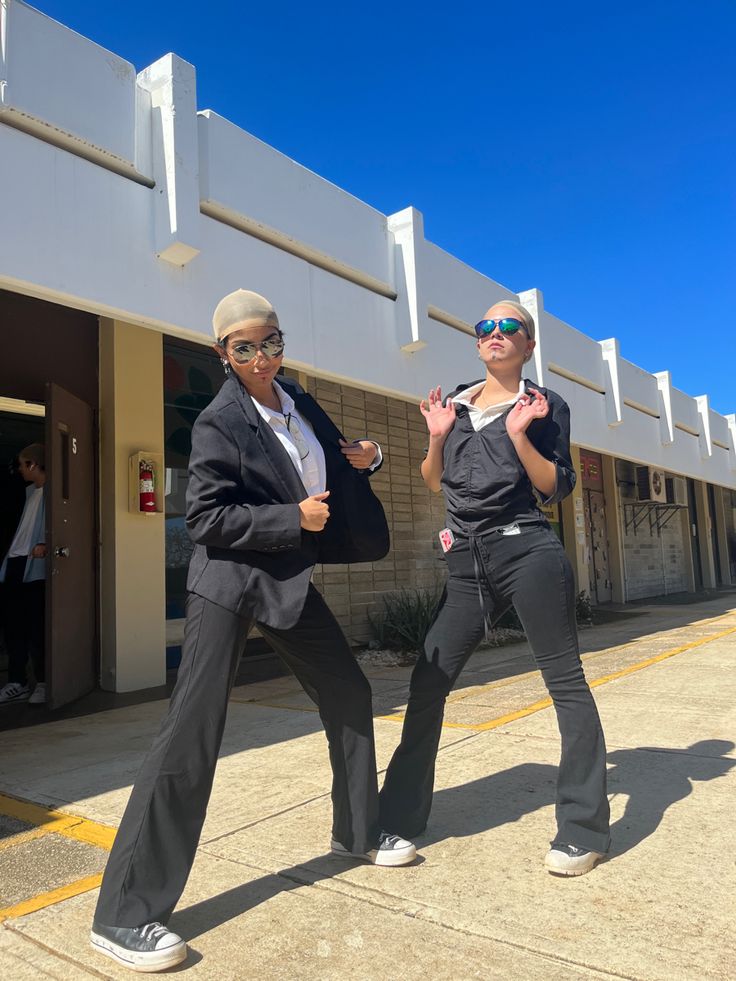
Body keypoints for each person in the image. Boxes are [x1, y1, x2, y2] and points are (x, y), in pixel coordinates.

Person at [90, 290, 416, 973]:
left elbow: (335, 454)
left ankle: (355, 831)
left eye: (271, 341)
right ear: (224, 355)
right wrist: (290, 519)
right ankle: (124, 913)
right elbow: (205, 519)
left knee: (350, 693)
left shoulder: (297, 400)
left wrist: (372, 457)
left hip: (287, 579)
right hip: (228, 584)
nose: (262, 356)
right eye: (245, 347)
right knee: (191, 735)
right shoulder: (218, 422)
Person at [378, 299, 610, 877]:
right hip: (467, 563)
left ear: (529, 346)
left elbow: (556, 486)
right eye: (486, 327)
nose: (496, 334)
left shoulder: (543, 404)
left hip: (526, 548)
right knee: (427, 678)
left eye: (511, 327)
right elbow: (436, 481)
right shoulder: (453, 405)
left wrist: (520, 436)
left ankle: (583, 829)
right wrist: (435, 437)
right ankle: (399, 816)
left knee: (565, 682)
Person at [0, 443, 47, 706]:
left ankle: (43, 681)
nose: (19, 470)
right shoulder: (27, 493)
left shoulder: (54, 494)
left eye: (21, 464)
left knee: (36, 627)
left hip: (35, 567)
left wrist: (45, 545)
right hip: (15, 565)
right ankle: (16, 682)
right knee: (13, 627)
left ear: (32, 464)